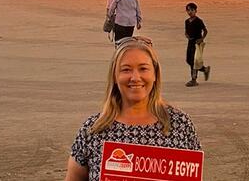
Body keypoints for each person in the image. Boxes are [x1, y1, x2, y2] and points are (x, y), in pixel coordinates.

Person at [65, 37, 201, 181]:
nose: (135, 77)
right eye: (126, 70)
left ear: (155, 74)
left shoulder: (180, 124)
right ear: (115, 76)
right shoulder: (93, 129)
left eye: (143, 69)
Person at [184, 2, 210, 87]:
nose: (190, 12)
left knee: (194, 61)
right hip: (190, 42)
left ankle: (193, 79)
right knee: (189, 60)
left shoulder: (198, 21)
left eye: (192, 10)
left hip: (197, 43)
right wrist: (187, 35)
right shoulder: (187, 21)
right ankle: (205, 69)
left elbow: (205, 31)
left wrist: (201, 39)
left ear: (195, 11)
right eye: (188, 10)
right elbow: (186, 31)